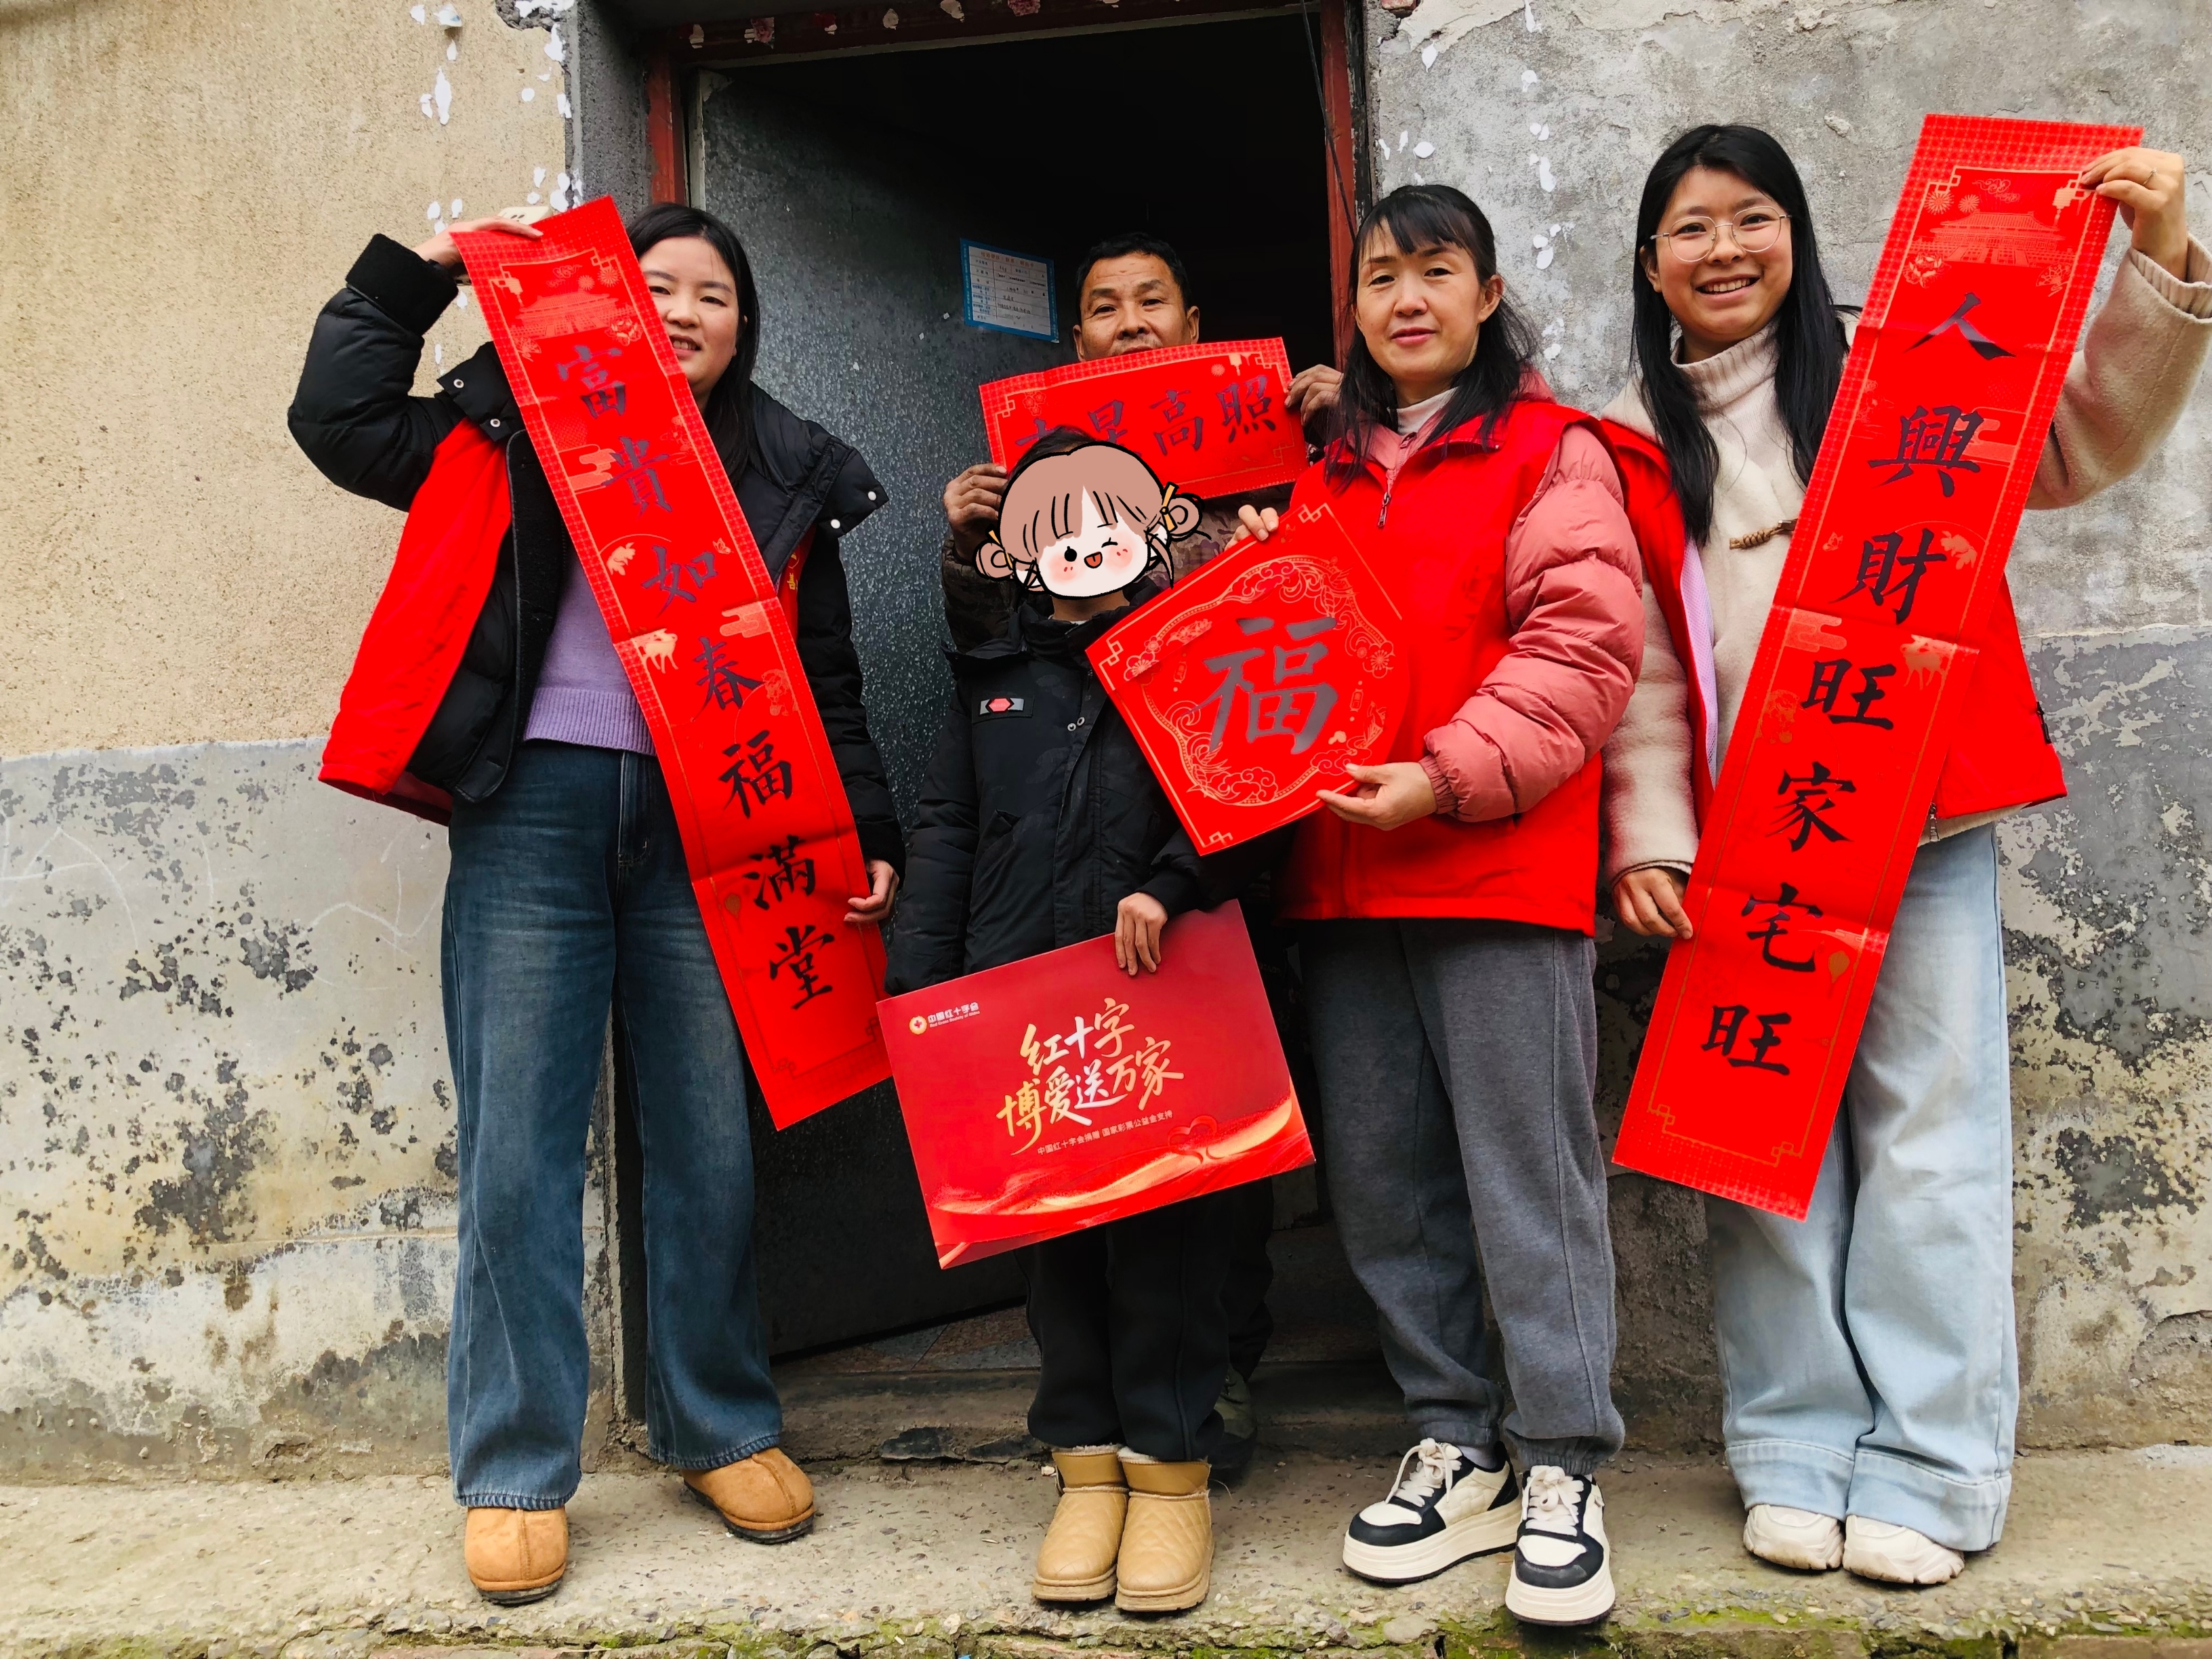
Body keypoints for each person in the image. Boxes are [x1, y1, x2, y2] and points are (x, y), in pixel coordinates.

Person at [1601, 126, 2211, 1586]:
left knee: (1930, 1141)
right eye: (1692, 228)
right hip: (1745, 843)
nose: (1725, 250)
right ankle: (1795, 1449)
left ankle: (1936, 1462)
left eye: (1754, 218)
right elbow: (1642, 666)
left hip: (1916, 814)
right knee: (1760, 1152)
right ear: (1651, 264)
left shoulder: (1904, 366)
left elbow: (2078, 442)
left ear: (1798, 236)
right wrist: (1652, 837)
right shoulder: (1619, 439)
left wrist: (2161, 260)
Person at [289, 202, 905, 1603]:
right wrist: (419, 276)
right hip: (530, 809)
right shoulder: (512, 416)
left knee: (708, 1140)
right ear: (608, 300)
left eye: (714, 295)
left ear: (745, 328)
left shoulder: (786, 465)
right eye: (657, 284)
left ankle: (716, 1422)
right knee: (518, 1148)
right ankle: (514, 1468)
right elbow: (339, 420)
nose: (684, 311)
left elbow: (825, 671)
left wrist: (864, 825)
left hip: (714, 825)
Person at [1237, 184, 1643, 1625]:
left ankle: (1564, 1460)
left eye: (1435, 271)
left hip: (1495, 870)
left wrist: (1446, 775)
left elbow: (1583, 647)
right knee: (1387, 1181)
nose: (1406, 298)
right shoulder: (1319, 475)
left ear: (1487, 295)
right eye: (1380, 277)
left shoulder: (1551, 450)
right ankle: (1454, 1438)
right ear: (1353, 308)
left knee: (1528, 1177)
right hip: (1345, 880)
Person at [935, 232, 1340, 1474]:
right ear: (1076, 342)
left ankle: (1213, 1380)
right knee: (1077, 1165)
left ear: (1193, 323)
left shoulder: (1256, 467)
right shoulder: (1043, 493)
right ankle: (1100, 1426)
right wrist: (970, 545)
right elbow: (998, 669)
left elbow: (1303, 653)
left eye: (1150, 302)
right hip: (1055, 901)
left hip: (1203, 881)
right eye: (1102, 307)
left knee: (1215, 1145)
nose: (1127, 323)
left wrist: (1336, 440)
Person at [886, 432, 1254, 1614]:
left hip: (1161, 995)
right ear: (1016, 556)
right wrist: (923, 989)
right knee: (1057, 1244)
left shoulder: (1191, 653)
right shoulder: (991, 679)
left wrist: (1171, 884)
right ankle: (1084, 1468)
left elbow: (1246, 793)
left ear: (1155, 530)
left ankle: (1172, 1471)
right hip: (1025, 1001)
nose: (1084, 550)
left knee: (1167, 1242)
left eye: (1105, 524)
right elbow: (946, 827)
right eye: (1055, 531)